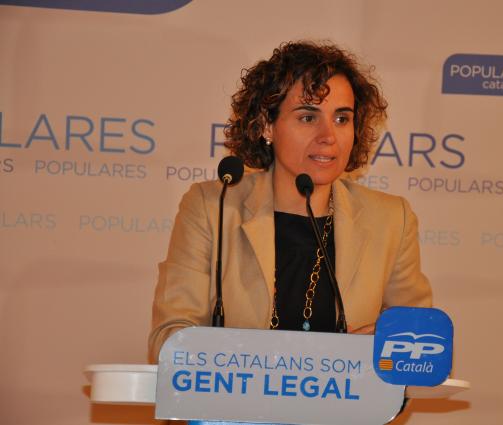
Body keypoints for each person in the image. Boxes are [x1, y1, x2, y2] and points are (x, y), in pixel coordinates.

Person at [148, 41, 432, 363]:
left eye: (342, 119)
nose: (328, 136)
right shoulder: (212, 207)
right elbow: (169, 340)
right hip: (238, 397)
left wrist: (385, 348)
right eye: (308, 117)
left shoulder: (391, 219)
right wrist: (313, 359)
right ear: (267, 125)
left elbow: (423, 346)